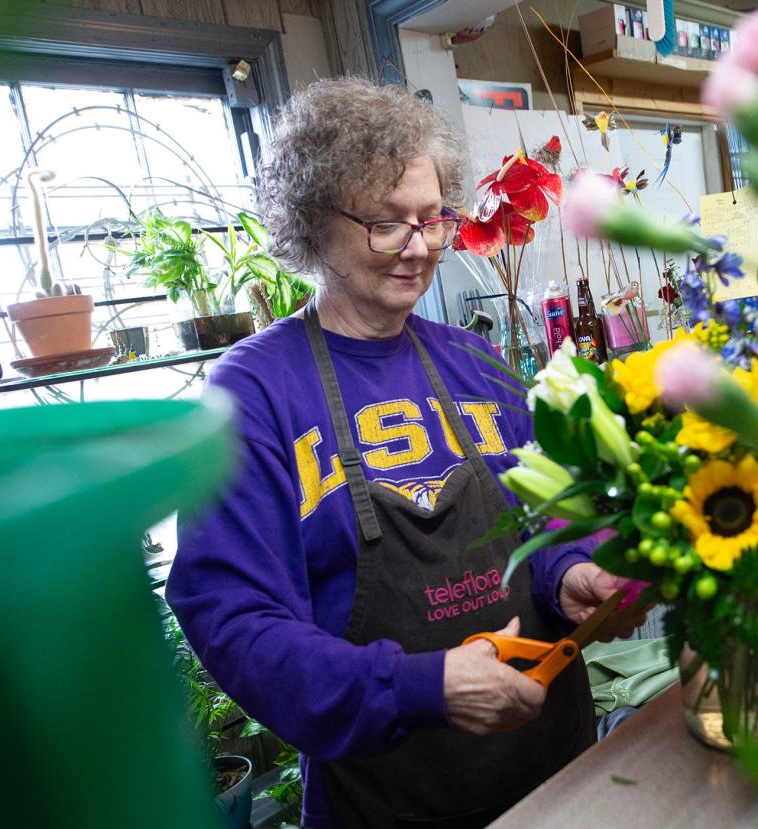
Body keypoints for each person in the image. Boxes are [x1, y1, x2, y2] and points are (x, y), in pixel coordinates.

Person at [166, 78, 641, 829]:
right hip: (389, 799)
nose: (420, 249)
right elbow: (236, 620)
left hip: (558, 770)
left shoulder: (476, 364)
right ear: (314, 223)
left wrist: (571, 570)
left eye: (433, 219)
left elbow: (546, 517)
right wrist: (417, 686)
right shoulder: (253, 393)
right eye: (387, 224)